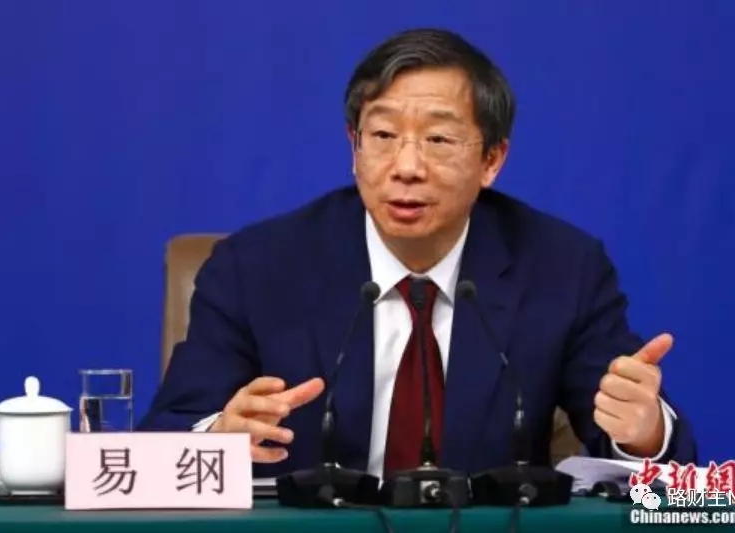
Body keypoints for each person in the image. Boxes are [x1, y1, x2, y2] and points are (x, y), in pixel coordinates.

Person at [138, 28, 697, 480]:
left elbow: (651, 462)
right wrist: (219, 439)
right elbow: (166, 436)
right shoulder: (256, 266)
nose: (406, 167)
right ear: (354, 146)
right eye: (383, 137)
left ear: (492, 160)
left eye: (438, 140)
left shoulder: (561, 268)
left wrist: (643, 433)